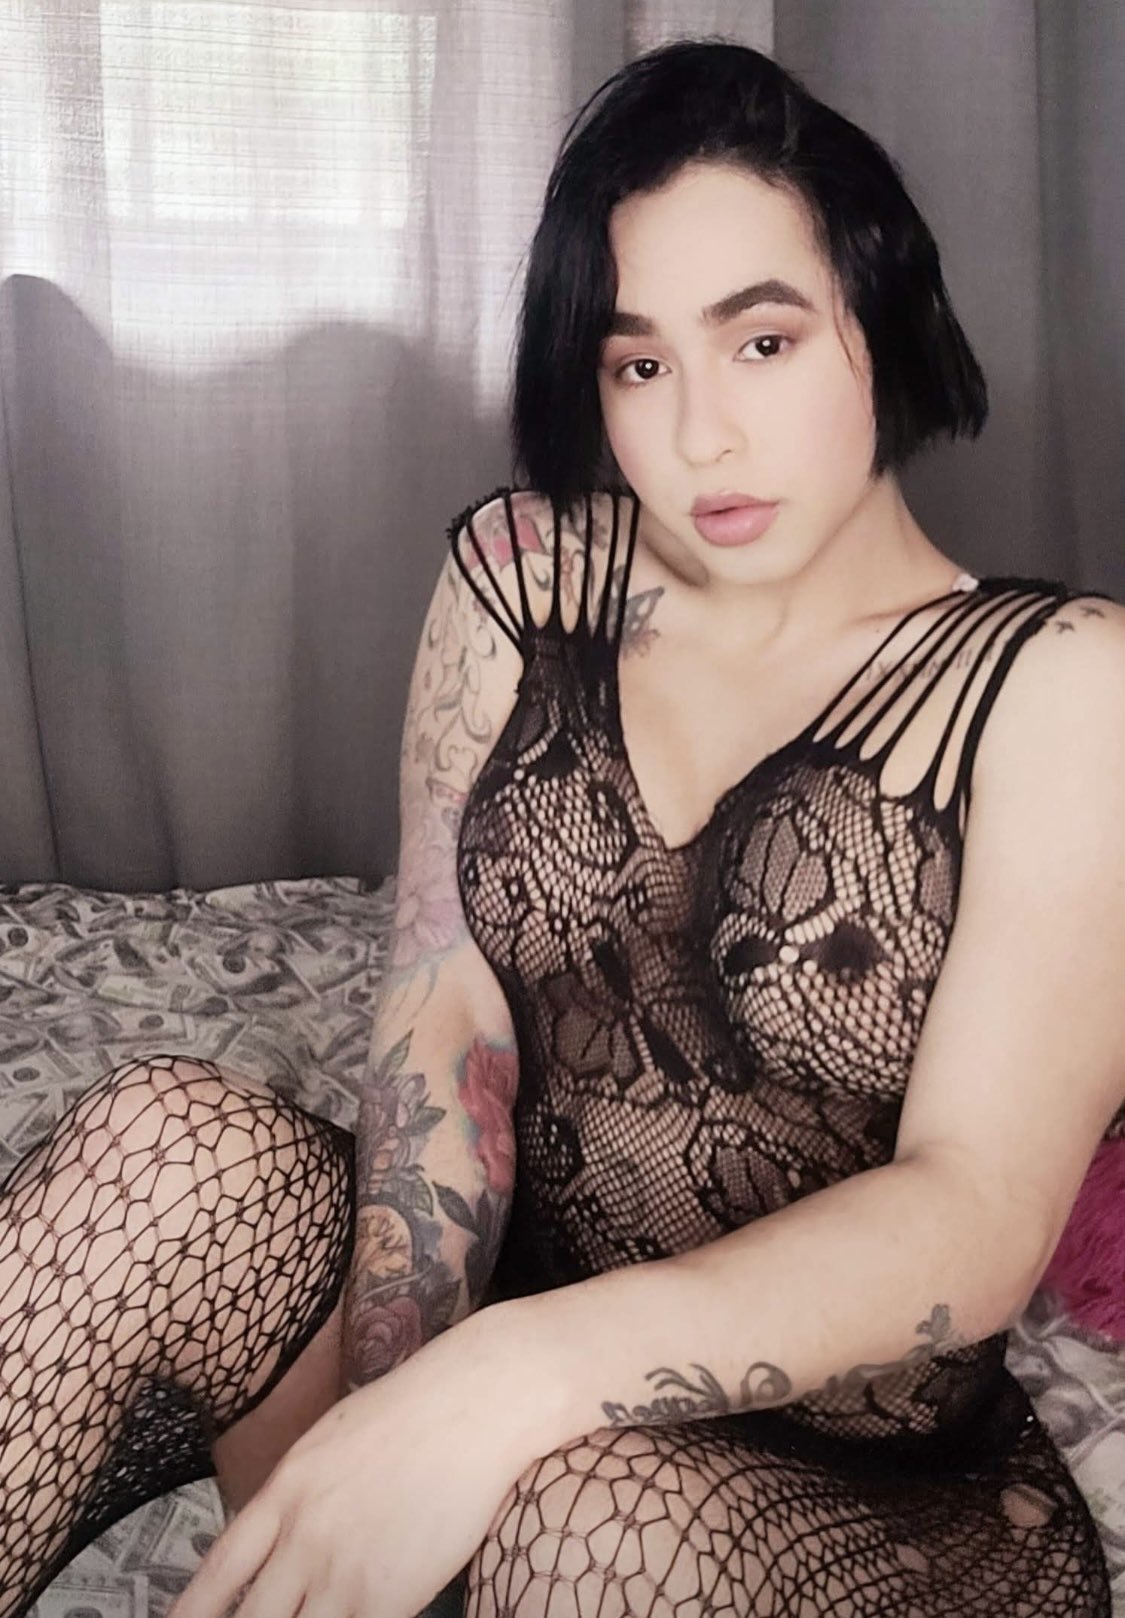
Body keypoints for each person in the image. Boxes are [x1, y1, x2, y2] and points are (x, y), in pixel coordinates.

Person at [1, 36, 1122, 1618]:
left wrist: (517, 1384)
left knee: (582, 1505)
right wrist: (399, 1403)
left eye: (762, 341)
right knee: (163, 1147)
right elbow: (441, 1009)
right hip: (490, 1357)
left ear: (881, 312)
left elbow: (976, 1206)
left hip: (861, 1486)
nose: (698, 435)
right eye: (636, 364)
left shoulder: (1065, 679)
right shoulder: (518, 581)